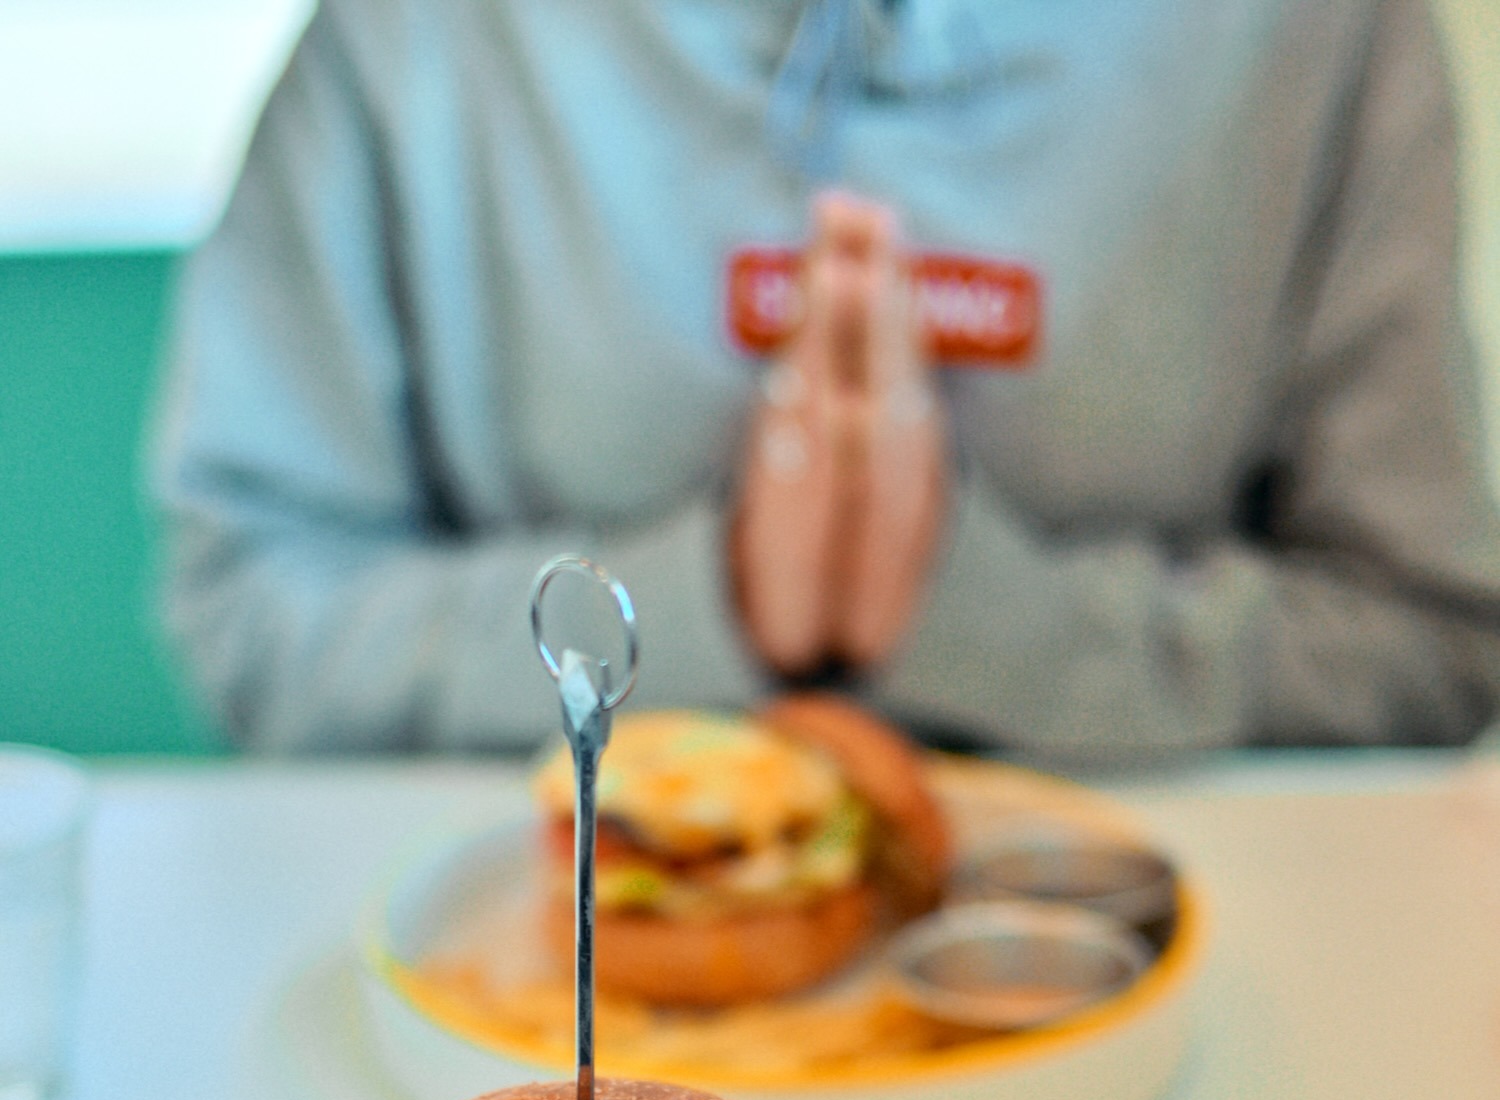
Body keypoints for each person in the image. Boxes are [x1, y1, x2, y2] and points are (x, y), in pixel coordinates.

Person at [154, 0, 1500, 764]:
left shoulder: (1323, 39)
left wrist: (972, 618)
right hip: (533, 979)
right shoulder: (413, 48)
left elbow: (1431, 638)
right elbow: (252, 604)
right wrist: (714, 607)